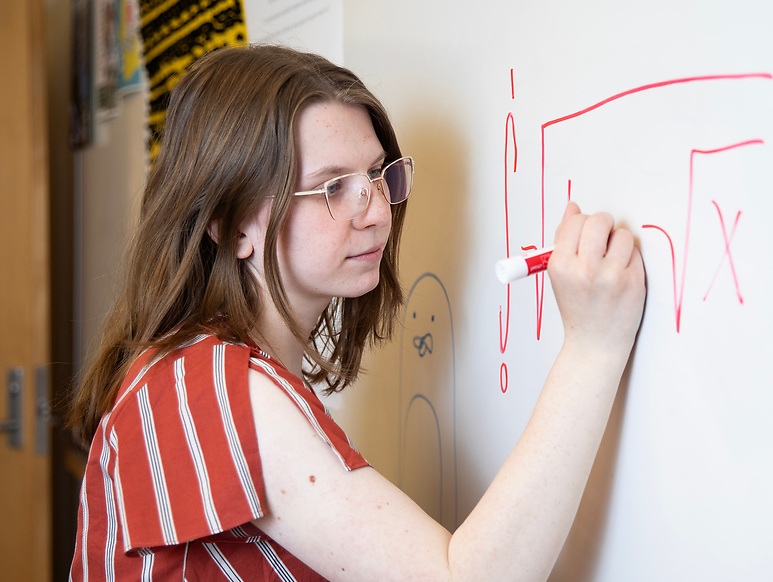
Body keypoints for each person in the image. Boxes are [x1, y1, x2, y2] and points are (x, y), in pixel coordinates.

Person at [66, 44, 646, 581]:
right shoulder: (211, 389)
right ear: (231, 223)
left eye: (376, 175)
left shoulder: (193, 370)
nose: (373, 211)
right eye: (331, 188)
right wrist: (592, 347)